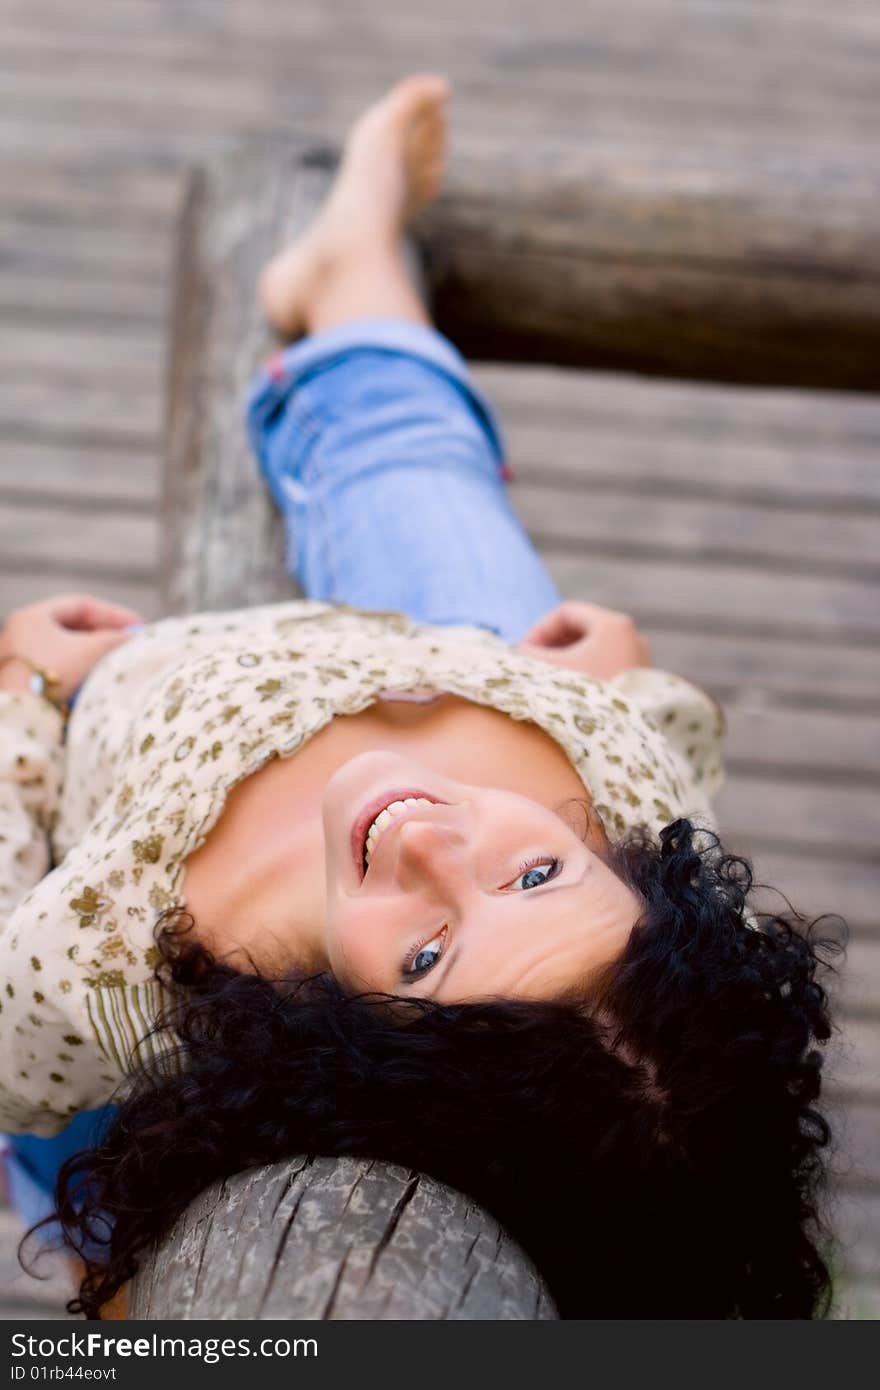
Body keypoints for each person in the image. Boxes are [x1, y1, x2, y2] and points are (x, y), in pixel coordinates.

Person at [0, 75, 844, 1319]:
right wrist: (621, 679)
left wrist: (25, 694)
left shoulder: (128, 966)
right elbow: (674, 777)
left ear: (338, 1052)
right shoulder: (600, 781)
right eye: (537, 876)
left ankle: (133, 1258)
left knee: (75, 1146)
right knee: (410, 453)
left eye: (427, 951)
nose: (431, 837)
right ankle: (347, 275)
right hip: (469, 657)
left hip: (184, 686)